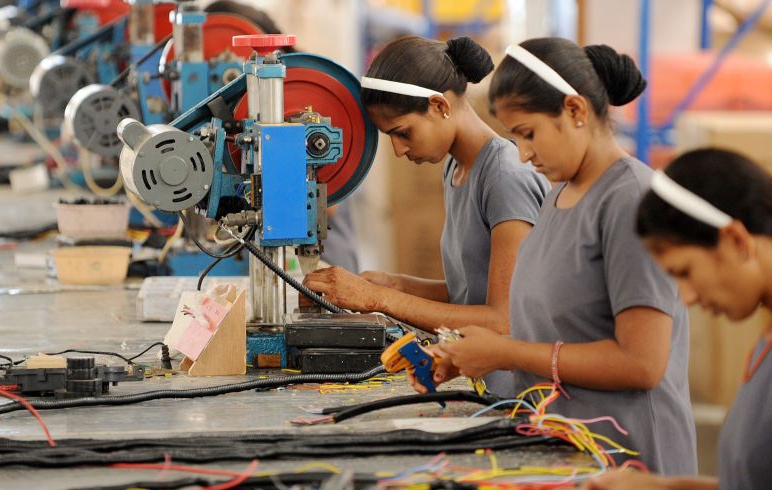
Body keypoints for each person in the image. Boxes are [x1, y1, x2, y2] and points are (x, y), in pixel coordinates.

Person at [416, 37, 697, 475]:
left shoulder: (629, 200)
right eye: (515, 138)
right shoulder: (558, 195)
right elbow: (552, 323)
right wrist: (465, 354)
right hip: (567, 451)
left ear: (575, 111)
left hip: (630, 460)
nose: (524, 154)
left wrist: (506, 353)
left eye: (529, 134)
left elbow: (642, 363)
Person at [303, 36, 549, 342]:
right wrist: (393, 285)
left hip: (512, 386)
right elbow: (469, 291)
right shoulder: (456, 169)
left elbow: (503, 321)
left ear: (439, 105)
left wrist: (378, 299)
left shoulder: (504, 176)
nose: (398, 149)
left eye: (403, 132)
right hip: (473, 370)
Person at [584, 148, 772, 489]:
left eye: (684, 271)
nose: (687, 297)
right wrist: (662, 486)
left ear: (735, 240)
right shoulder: (764, 341)